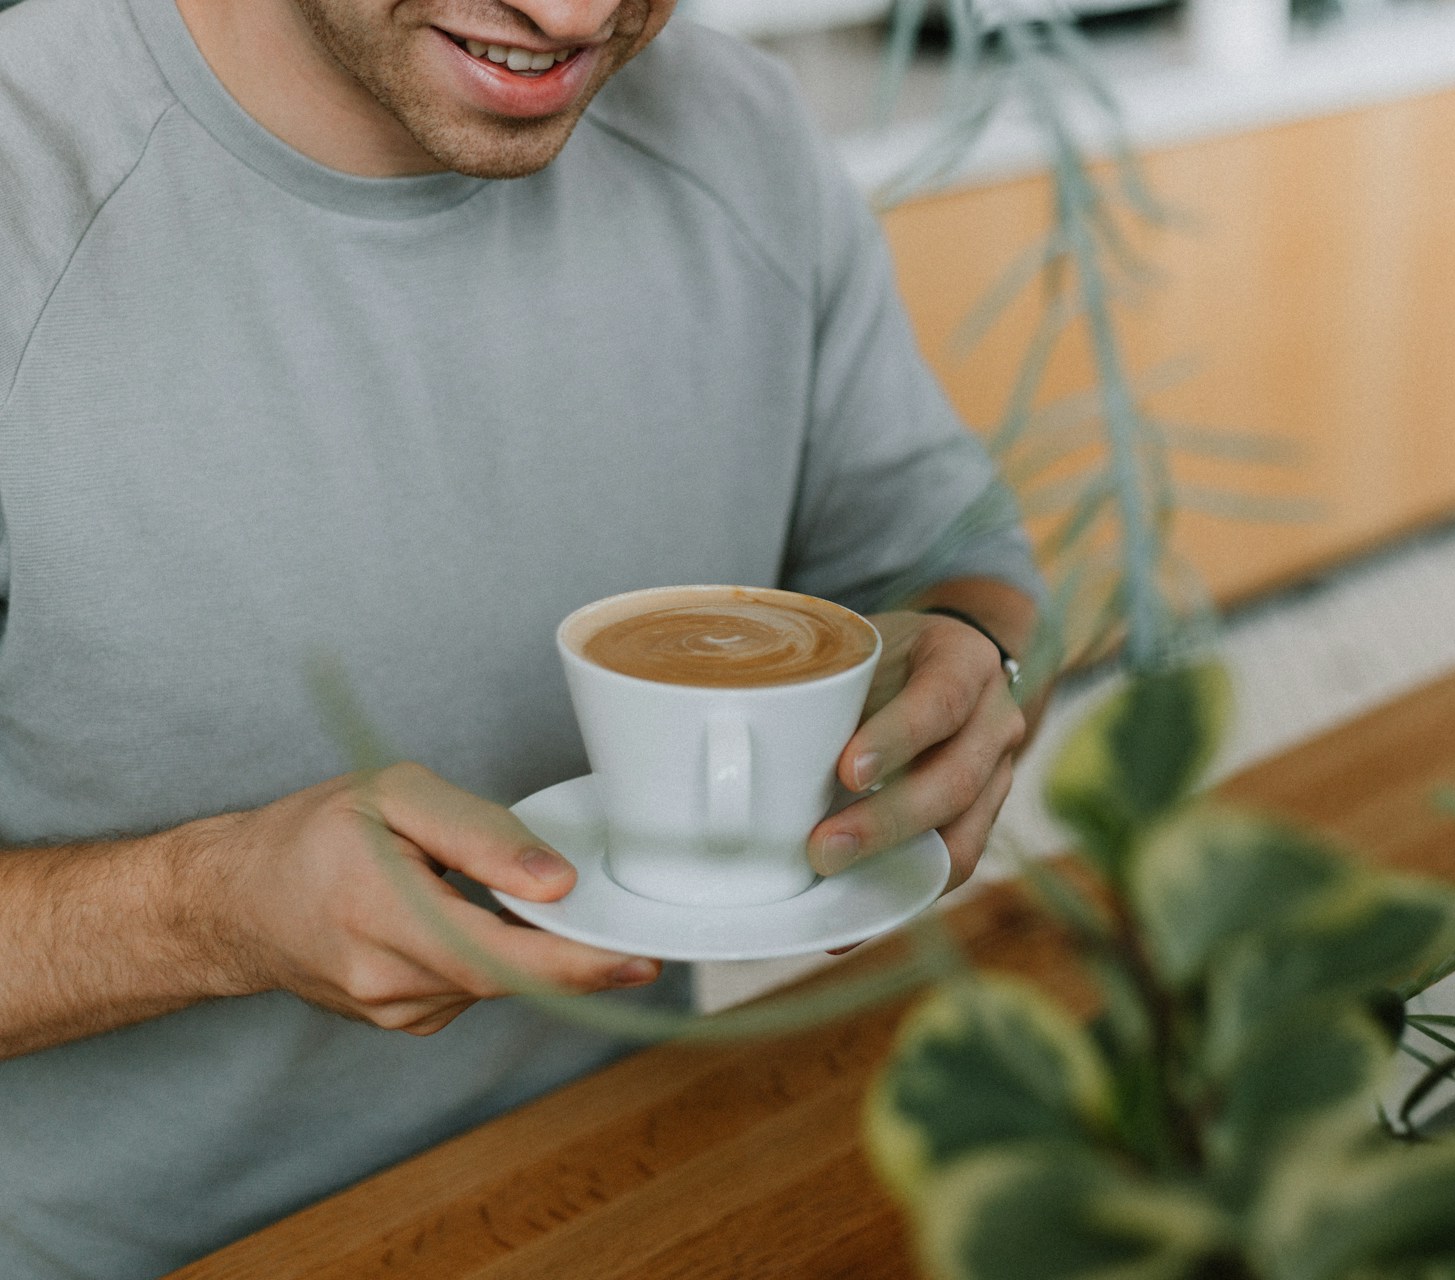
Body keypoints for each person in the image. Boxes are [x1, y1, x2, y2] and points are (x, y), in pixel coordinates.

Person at [0, 0, 1044, 1273]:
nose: (570, 15)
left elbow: (951, 556)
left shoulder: (740, 132)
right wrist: (206, 909)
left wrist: (972, 652)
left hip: (618, 1186)